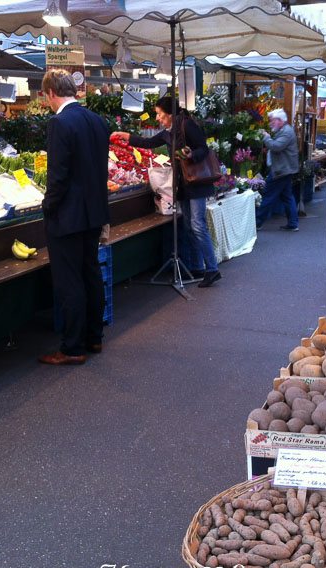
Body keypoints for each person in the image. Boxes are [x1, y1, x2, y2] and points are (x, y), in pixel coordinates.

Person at [38, 70, 110, 366]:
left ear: (51, 93)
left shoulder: (59, 123)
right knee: (91, 273)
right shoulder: (97, 120)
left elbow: (58, 175)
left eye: (45, 96)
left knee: (69, 281)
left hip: (68, 215)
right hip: (94, 212)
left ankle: (72, 347)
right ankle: (94, 337)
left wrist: (48, 206)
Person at [111, 97, 221, 288]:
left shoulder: (187, 125)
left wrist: (191, 154)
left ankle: (212, 269)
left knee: (197, 224)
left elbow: (203, 148)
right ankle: (198, 267)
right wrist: (125, 135)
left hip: (197, 182)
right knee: (188, 225)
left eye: (159, 114)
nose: (157, 118)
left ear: (170, 114)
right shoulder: (168, 132)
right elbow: (147, 142)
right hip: (183, 183)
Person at [256, 109, 299, 232]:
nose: (271, 123)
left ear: (280, 120)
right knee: (287, 196)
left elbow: (276, 146)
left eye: (273, 121)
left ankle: (257, 222)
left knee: (268, 195)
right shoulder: (284, 130)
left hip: (281, 170)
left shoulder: (286, 132)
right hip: (284, 169)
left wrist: (266, 138)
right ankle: (293, 223)